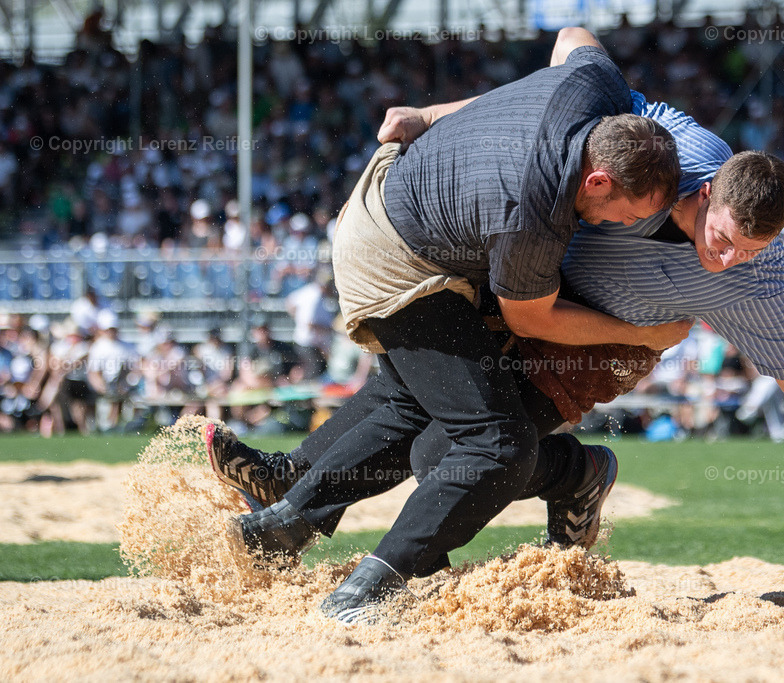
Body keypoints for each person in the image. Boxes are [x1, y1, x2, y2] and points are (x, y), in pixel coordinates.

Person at [212, 28, 784, 610]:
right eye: (723, 238)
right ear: (706, 189)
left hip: (596, 340)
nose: (727, 260)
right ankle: (294, 488)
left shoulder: (761, 283)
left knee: (443, 451)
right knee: (413, 391)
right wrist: (433, 116)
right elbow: (564, 70)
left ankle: (571, 473)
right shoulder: (671, 144)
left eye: (750, 251)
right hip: (526, 289)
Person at [209, 38, 684, 625]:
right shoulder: (531, 215)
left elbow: (573, 37)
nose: (627, 228)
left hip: (390, 200)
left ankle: (285, 513)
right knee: (497, 441)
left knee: (416, 401)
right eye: (629, 214)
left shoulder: (594, 88)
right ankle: (370, 585)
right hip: (396, 262)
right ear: (598, 180)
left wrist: (431, 114)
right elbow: (530, 318)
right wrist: (643, 336)